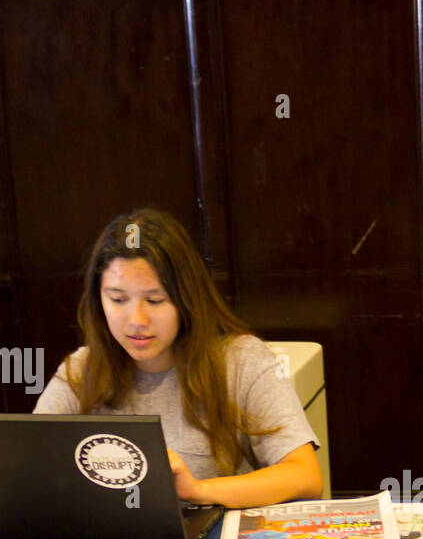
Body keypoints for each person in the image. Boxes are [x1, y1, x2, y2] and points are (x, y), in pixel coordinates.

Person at [34, 208, 322, 508]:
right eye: (118, 299)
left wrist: (197, 490)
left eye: (155, 300)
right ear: (99, 300)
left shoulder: (242, 360)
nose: (136, 319)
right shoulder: (81, 369)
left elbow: (305, 477)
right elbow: (27, 467)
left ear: (186, 299)